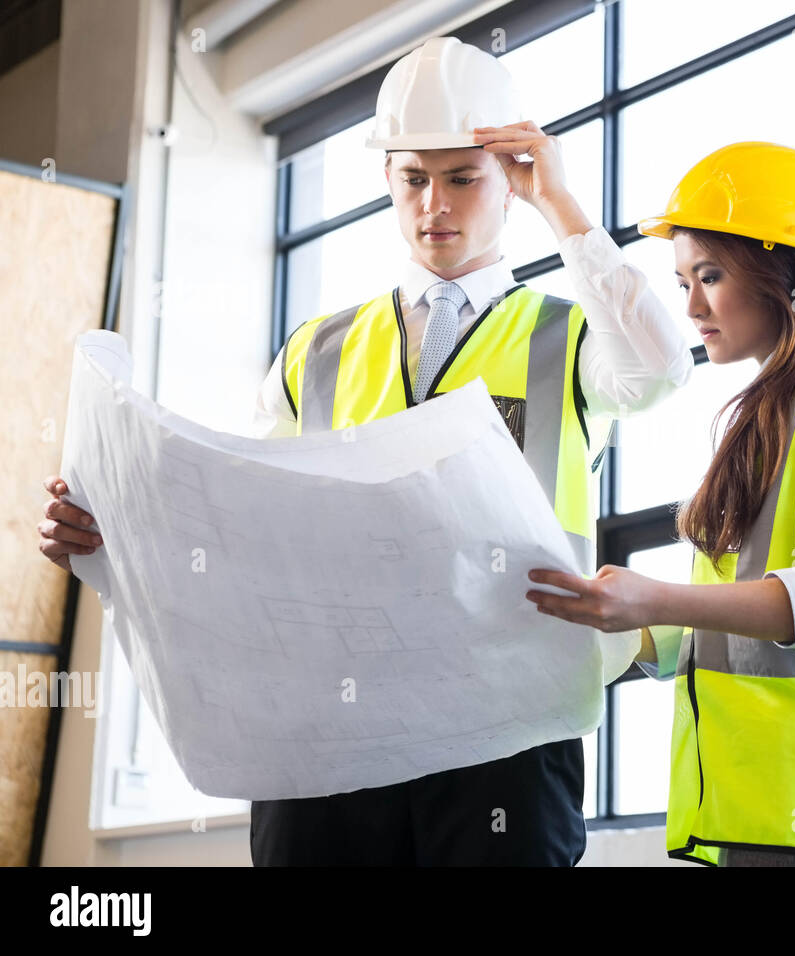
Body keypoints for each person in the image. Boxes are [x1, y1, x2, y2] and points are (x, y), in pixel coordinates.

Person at [37, 36, 693, 866]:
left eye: (463, 177)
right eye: (413, 178)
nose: (434, 207)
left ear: (511, 178)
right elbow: (239, 523)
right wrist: (115, 531)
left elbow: (662, 369)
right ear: (387, 179)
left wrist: (562, 207)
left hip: (504, 726)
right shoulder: (317, 349)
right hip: (325, 732)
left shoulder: (568, 337)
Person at [524, 141, 795, 866]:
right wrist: (621, 629)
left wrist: (655, 600)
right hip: (760, 809)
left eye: (712, 276)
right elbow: (733, 610)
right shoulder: (774, 413)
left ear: (783, 276)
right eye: (683, 281)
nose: (693, 305)